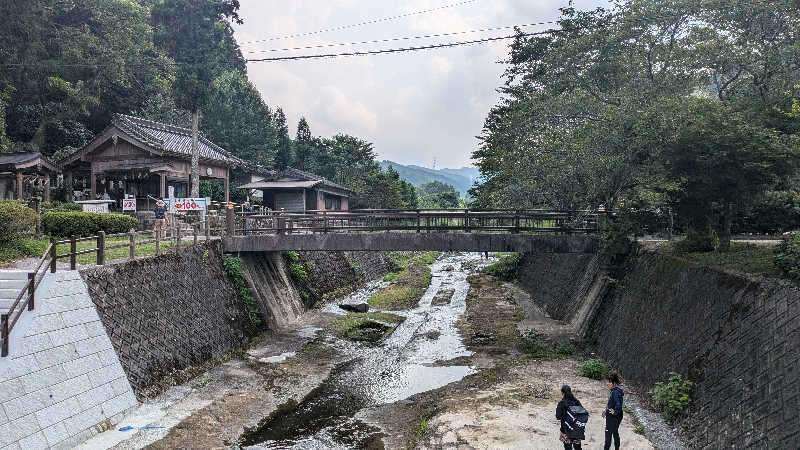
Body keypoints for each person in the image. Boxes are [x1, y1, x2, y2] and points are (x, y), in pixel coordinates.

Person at [556, 385, 584, 450]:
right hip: (577, 429)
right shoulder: (576, 401)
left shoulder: (562, 403)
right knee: (578, 448)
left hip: (566, 430)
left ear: (562, 393)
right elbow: (582, 413)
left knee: (568, 448)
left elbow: (558, 417)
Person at [604, 370, 624, 450]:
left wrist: (614, 411)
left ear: (613, 383)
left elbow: (618, 404)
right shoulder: (616, 391)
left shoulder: (615, 392)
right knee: (615, 432)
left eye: (609, 382)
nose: (607, 384)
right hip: (617, 416)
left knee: (608, 434)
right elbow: (613, 403)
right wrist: (606, 410)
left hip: (613, 417)